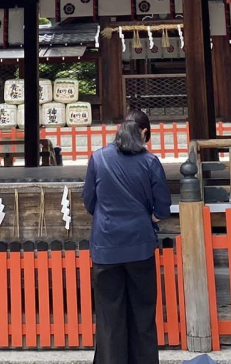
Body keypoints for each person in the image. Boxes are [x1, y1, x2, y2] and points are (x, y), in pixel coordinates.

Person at [82, 108, 170, 364]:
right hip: (140, 247)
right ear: (144, 132)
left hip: (106, 247)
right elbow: (162, 208)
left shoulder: (98, 159)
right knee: (143, 313)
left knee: (110, 317)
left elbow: (89, 202)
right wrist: (148, 218)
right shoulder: (150, 162)